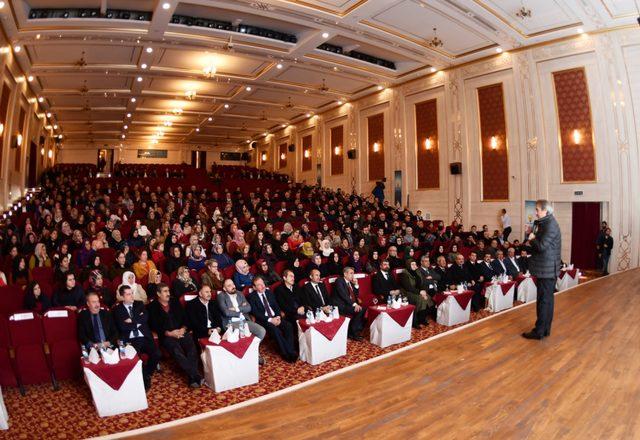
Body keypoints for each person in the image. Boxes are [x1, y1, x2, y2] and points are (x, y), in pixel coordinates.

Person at [148, 283, 203, 387]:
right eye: (165, 291)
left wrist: (183, 328)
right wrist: (169, 333)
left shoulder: (175, 302)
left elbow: (185, 318)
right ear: (158, 294)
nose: (168, 294)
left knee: (191, 348)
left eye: (168, 291)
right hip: (167, 335)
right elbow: (154, 325)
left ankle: (192, 377)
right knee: (177, 350)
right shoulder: (152, 306)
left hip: (181, 331)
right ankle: (195, 375)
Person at [522, 200, 562, 340]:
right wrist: (531, 239)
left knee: (544, 301)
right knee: (547, 300)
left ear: (545, 210)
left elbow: (542, 246)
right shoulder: (545, 223)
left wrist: (532, 239)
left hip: (547, 268)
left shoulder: (550, 225)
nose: (536, 212)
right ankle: (545, 329)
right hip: (546, 267)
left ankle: (539, 331)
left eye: (537, 209)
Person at [112, 285, 161, 391]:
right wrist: (137, 321)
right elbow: (122, 327)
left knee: (157, 354)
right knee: (137, 359)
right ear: (122, 296)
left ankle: (146, 374)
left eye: (132, 293)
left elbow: (145, 318)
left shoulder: (139, 304)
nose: (131, 296)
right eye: (128, 294)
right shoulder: (117, 309)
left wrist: (132, 320)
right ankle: (145, 380)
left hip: (144, 336)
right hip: (130, 340)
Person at [248, 277, 297, 362]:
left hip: (275, 317)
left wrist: (278, 316)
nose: (262, 286)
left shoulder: (269, 292)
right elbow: (256, 313)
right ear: (254, 287)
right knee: (275, 331)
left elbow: (276, 306)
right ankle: (286, 353)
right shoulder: (252, 297)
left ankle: (290, 351)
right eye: (259, 285)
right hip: (265, 320)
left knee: (288, 326)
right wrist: (270, 320)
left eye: (262, 283)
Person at [332, 267, 366, 340]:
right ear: (345, 274)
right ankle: (353, 333)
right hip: (341, 305)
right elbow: (343, 295)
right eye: (351, 273)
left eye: (353, 273)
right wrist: (354, 304)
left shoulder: (350, 282)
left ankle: (353, 330)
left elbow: (355, 295)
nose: (353, 275)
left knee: (363, 308)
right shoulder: (339, 281)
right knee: (360, 310)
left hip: (348, 304)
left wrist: (356, 284)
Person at [398, 260, 432, 328]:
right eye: (412, 264)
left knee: (427, 297)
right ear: (408, 265)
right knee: (420, 299)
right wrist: (420, 292)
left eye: (415, 264)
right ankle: (415, 322)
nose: (414, 266)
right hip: (407, 293)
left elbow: (421, 284)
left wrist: (423, 292)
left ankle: (422, 319)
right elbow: (408, 288)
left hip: (417, 291)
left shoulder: (416, 272)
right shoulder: (404, 274)